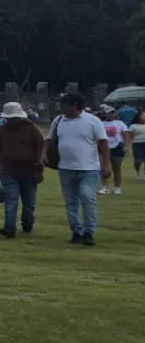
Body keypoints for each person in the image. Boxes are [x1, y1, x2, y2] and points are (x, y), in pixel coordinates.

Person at [51, 91, 111, 246]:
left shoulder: (93, 121)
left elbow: (103, 143)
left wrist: (105, 164)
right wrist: (43, 155)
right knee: (71, 202)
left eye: (64, 104)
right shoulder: (58, 120)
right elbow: (50, 139)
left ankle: (89, 231)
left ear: (75, 106)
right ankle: (76, 231)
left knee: (87, 197)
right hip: (65, 167)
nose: (61, 107)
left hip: (89, 168)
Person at [0, 102, 44, 238]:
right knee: (11, 200)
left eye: (14, 118)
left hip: (29, 170)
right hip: (8, 170)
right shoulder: (1, 130)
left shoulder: (32, 129)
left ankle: (27, 223)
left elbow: (40, 147)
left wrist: (40, 166)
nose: (11, 121)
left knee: (29, 202)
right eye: (9, 118)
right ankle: (9, 228)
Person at [98, 105, 126, 197]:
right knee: (103, 169)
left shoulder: (120, 123)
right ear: (105, 114)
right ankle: (104, 187)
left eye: (112, 113)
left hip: (117, 147)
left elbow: (125, 134)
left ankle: (117, 188)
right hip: (103, 148)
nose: (111, 115)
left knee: (116, 169)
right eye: (109, 113)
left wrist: (126, 145)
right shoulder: (100, 123)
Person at [132, 114, 145, 183]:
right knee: (138, 160)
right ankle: (137, 171)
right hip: (137, 144)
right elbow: (130, 136)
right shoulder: (133, 126)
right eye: (143, 116)